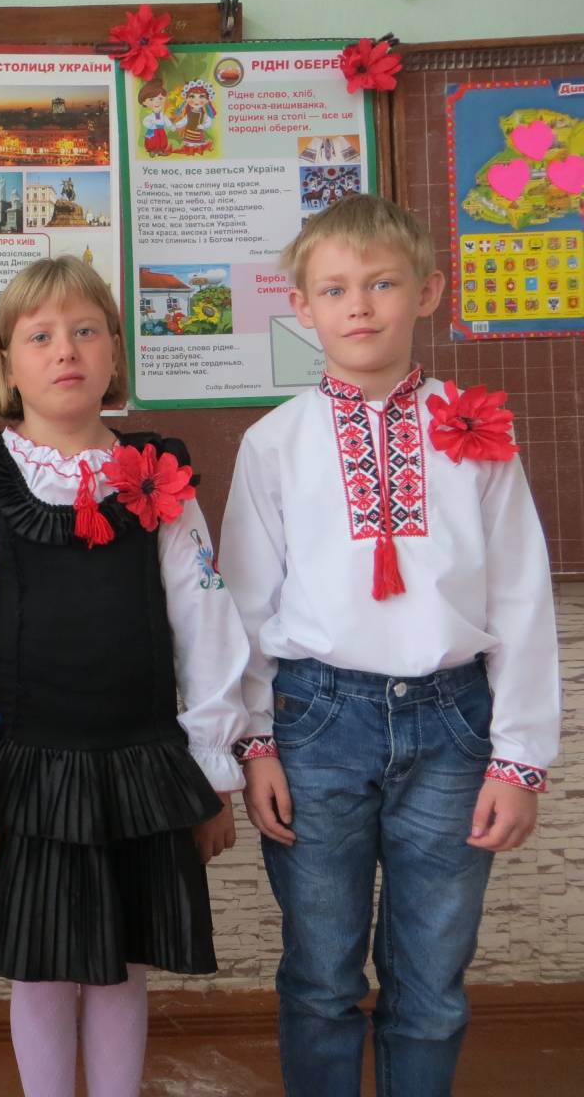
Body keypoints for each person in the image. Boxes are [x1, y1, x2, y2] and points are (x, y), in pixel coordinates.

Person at [219, 194, 562, 1097]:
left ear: (429, 292)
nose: (360, 305)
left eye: (382, 284)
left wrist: (519, 757)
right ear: (303, 306)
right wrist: (255, 743)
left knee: (432, 981)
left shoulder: (476, 429)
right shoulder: (274, 443)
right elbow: (245, 606)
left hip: (453, 729)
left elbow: (521, 596)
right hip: (315, 724)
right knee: (321, 974)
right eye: (335, 289)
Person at [0, 256, 252, 1097]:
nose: (65, 350)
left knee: (122, 965)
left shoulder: (160, 478)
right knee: (42, 967)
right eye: (39, 336)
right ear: (8, 363)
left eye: (84, 331)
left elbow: (206, 618)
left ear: (114, 350)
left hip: (141, 762)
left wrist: (213, 769)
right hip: (29, 771)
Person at [137, 78, 174, 157]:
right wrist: (151, 125)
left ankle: (161, 150)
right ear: (144, 102)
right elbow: (146, 121)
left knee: (162, 140)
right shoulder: (150, 117)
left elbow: (166, 120)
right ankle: (153, 150)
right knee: (152, 141)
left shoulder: (162, 115)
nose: (157, 102)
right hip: (153, 130)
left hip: (161, 130)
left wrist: (171, 126)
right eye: (151, 99)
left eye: (160, 98)